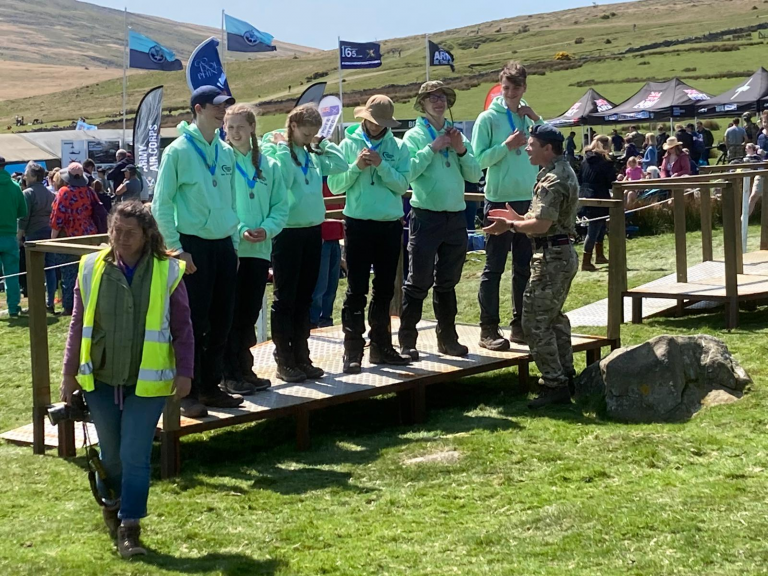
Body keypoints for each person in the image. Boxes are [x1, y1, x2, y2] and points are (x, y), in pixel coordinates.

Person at [59, 202, 193, 558]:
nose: (121, 239)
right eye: (116, 231)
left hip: (146, 383)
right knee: (111, 455)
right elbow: (77, 324)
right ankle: (111, 505)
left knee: (134, 454)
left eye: (130, 233)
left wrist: (185, 372)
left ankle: (130, 526)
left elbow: (183, 327)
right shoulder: (90, 267)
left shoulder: (168, 271)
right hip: (100, 379)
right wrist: (68, 374)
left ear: (147, 234)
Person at [152, 86, 242, 417]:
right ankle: (185, 393)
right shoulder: (177, 152)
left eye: (226, 107)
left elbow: (232, 201)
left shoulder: (226, 151)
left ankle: (211, 386)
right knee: (192, 322)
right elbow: (162, 204)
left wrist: (233, 243)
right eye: (217, 107)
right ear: (198, 109)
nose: (223, 112)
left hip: (223, 245)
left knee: (222, 319)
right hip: (192, 247)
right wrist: (176, 249)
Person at [483, 124, 579, 409]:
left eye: (532, 144)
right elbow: (540, 216)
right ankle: (566, 375)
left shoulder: (552, 179)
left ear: (547, 149)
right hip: (558, 253)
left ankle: (554, 383)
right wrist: (518, 216)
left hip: (552, 257)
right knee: (553, 318)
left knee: (535, 322)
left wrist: (510, 224)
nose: (526, 148)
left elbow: (541, 225)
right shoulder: (559, 171)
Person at [397, 81, 482, 361]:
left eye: (442, 97)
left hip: (455, 216)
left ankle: (448, 339)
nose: (438, 101)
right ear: (421, 103)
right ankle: (407, 340)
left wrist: (460, 149)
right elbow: (408, 172)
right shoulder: (413, 136)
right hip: (426, 216)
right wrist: (432, 148)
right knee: (418, 280)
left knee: (448, 281)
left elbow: (474, 175)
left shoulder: (458, 134)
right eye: (431, 97)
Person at [327, 95, 412, 373]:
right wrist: (357, 167)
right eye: (373, 122)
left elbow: (402, 185)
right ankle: (352, 351)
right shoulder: (347, 145)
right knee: (356, 290)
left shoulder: (399, 147)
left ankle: (381, 347)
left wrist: (380, 165)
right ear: (364, 118)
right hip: (358, 224)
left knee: (385, 289)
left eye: (382, 124)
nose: (376, 128)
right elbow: (336, 185)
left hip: (389, 225)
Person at [263, 104, 347, 381]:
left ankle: (302, 355)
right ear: (293, 127)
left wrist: (322, 145)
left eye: (314, 133)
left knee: (305, 297)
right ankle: (283, 358)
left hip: (313, 230)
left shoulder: (312, 152)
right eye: (306, 133)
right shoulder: (281, 152)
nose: (310, 137)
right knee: (285, 298)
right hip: (287, 232)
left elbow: (340, 165)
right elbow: (282, 179)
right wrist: (282, 149)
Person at [472, 60, 542, 350]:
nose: (510, 93)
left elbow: (553, 145)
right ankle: (488, 329)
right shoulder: (487, 119)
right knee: (494, 267)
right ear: (500, 88)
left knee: (524, 266)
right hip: (499, 199)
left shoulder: (529, 118)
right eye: (506, 88)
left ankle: (520, 325)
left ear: (524, 88)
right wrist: (506, 146)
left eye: (516, 88)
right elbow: (476, 161)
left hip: (528, 198)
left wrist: (535, 117)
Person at [221, 103, 288, 395]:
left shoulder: (269, 166)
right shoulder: (221, 161)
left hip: (259, 250)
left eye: (240, 127)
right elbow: (218, 204)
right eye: (230, 127)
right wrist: (238, 230)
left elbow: (281, 206)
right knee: (229, 314)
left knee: (248, 315)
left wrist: (268, 228)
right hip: (232, 249)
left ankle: (245, 370)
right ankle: (228, 374)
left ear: (252, 129)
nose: (235, 132)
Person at [50, 162, 101, 316]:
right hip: (90, 235)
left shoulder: (64, 192)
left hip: (70, 236)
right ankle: (89, 302)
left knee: (69, 273)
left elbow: (58, 217)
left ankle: (69, 307)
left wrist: (53, 238)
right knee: (88, 271)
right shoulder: (89, 191)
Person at [17, 162, 57, 314]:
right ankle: (50, 302)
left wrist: (19, 235)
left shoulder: (28, 193)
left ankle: (35, 303)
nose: (24, 176)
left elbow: (24, 218)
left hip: (33, 233)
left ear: (33, 176)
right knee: (50, 268)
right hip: (48, 232)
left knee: (34, 269)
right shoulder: (50, 194)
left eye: (27, 173)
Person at [578, 135, 616, 272]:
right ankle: (586, 261)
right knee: (594, 228)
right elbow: (610, 181)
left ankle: (599, 255)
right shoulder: (605, 161)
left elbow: (580, 178)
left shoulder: (585, 160)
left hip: (585, 194)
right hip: (599, 194)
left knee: (599, 225)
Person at [310, 180, 344, 329]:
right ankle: (313, 320)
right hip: (321, 237)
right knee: (320, 285)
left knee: (332, 284)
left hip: (335, 237)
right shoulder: (317, 179)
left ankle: (326, 319)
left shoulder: (337, 180)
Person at [0, 156, 27, 317]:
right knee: (12, 275)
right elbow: (22, 212)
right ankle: (13, 308)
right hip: (10, 235)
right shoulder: (15, 187)